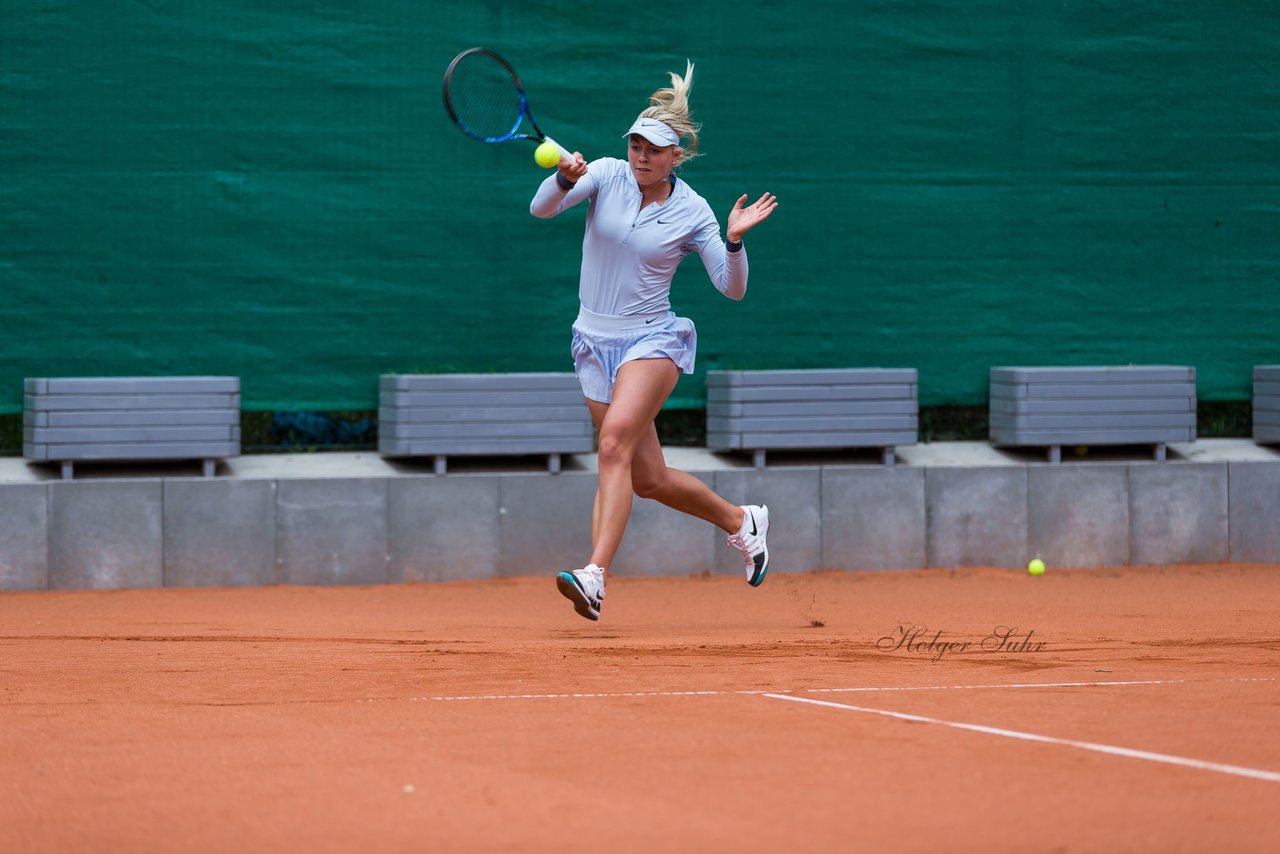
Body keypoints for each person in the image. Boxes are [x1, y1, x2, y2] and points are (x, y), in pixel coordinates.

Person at [529, 61, 778, 621]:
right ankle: (743, 522)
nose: (642, 156)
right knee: (647, 478)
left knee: (613, 443)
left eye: (655, 149)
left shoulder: (693, 212)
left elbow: (730, 290)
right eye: (637, 144)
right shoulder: (606, 175)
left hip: (653, 340)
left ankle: (594, 575)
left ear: (676, 156)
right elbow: (540, 208)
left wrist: (734, 242)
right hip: (593, 342)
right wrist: (565, 177)